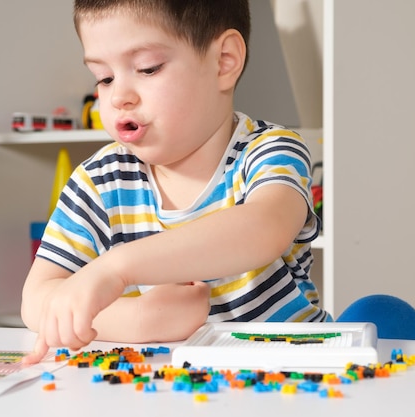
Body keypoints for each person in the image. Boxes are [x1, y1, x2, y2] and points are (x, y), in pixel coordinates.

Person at [21, 0, 328, 364]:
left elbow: (264, 228)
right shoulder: (99, 181)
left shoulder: (269, 150)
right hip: (173, 389)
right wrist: (138, 320)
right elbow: (37, 300)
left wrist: (116, 268)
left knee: (383, 314)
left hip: (294, 374)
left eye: (147, 69)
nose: (119, 96)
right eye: (104, 77)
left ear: (224, 61)